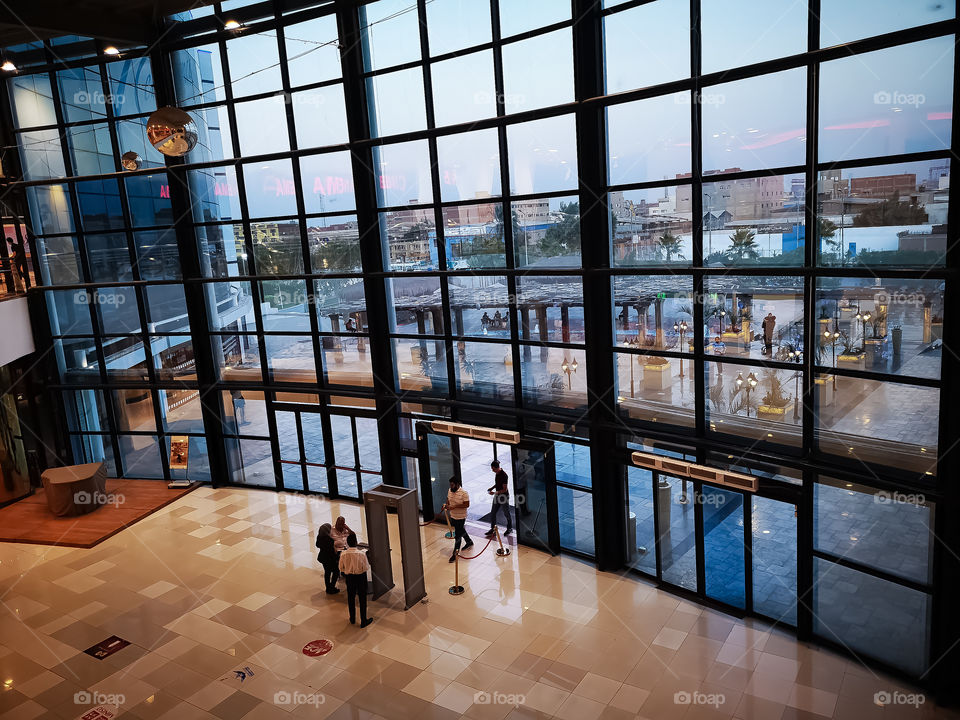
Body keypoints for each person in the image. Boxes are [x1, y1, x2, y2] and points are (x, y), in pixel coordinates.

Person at [338, 533, 373, 627]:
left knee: (351, 598)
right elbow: (366, 567)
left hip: (349, 578)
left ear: (347, 543)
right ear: (356, 542)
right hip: (361, 577)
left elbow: (341, 568)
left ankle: (352, 618)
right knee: (362, 599)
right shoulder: (361, 554)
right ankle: (363, 620)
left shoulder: (343, 554)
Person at [442, 477, 473, 563]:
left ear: (457, 484)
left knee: (458, 535)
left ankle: (455, 553)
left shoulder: (464, 493)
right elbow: (448, 499)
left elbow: (467, 504)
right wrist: (447, 505)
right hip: (453, 515)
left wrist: (455, 506)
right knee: (460, 529)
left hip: (461, 517)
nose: (451, 486)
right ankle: (469, 541)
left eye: (452, 485)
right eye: (450, 485)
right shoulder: (450, 490)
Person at [485, 460, 512, 537]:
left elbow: (504, 489)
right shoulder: (497, 473)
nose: (492, 470)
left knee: (506, 513)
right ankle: (493, 529)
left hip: (503, 496)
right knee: (493, 512)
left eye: (493, 469)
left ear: (497, 468)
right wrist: (492, 488)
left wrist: (494, 493)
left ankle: (509, 528)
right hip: (497, 496)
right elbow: (497, 483)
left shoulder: (504, 475)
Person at [315, 523, 340, 594]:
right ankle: (332, 587)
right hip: (330, 559)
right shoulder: (329, 539)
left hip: (323, 557)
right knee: (336, 572)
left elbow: (317, 545)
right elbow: (332, 552)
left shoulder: (319, 536)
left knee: (327, 572)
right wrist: (337, 557)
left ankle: (328, 587)